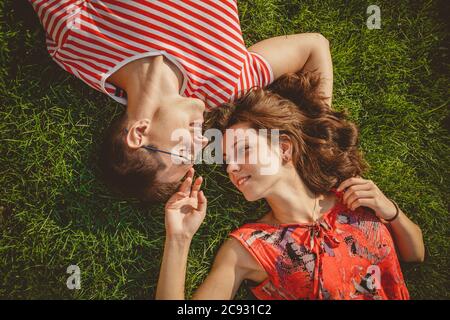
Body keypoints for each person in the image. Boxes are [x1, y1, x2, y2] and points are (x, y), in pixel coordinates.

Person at [155, 72, 425, 300]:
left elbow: (415, 254)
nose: (230, 168)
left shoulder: (352, 196)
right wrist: (178, 239)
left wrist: (390, 210)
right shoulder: (248, 249)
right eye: (227, 160)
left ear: (284, 148)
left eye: (243, 150)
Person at [29, 0, 333, 202]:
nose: (202, 143)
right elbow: (313, 47)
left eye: (183, 151)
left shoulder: (80, 42)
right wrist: (321, 145)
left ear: (139, 133)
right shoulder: (223, 87)